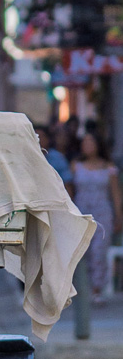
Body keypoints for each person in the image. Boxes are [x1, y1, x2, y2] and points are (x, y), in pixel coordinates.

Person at [71, 129, 122, 302]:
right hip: (81, 211)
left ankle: (96, 289)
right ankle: (77, 287)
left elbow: (115, 194)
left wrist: (118, 216)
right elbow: (70, 191)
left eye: (91, 142)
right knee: (79, 251)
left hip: (102, 212)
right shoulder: (76, 165)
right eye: (85, 143)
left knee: (99, 251)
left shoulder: (109, 168)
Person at [37, 123, 72, 188]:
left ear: (48, 139)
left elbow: (67, 183)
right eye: (36, 136)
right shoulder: (26, 158)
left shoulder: (58, 158)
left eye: (41, 136)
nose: (38, 140)